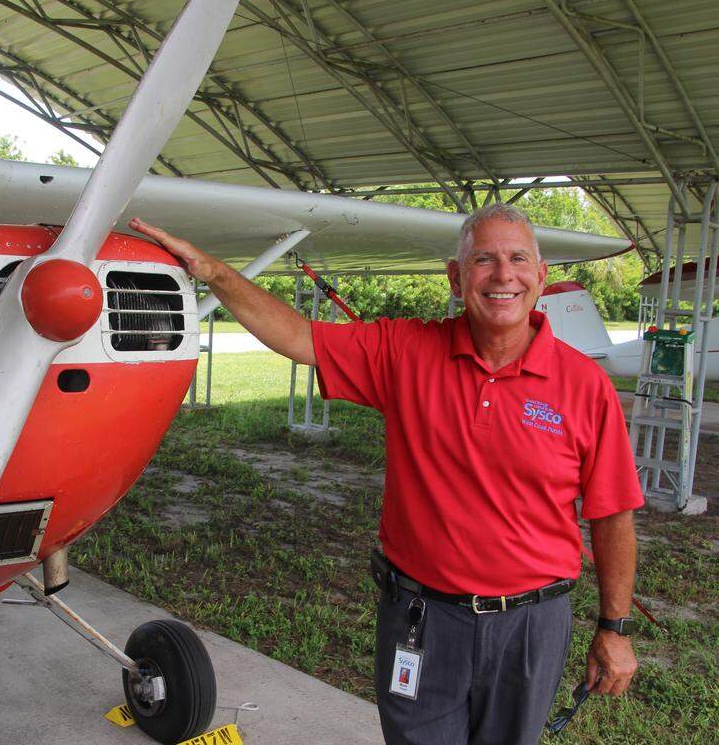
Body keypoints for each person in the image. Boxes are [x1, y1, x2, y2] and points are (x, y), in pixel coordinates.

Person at [128, 204, 642, 744]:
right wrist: (213, 272)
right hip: (422, 618)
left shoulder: (585, 386)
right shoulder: (406, 350)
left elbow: (612, 516)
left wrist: (614, 629)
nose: (503, 275)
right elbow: (300, 337)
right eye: (484, 260)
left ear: (540, 276)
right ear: (456, 275)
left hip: (530, 626)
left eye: (518, 259)